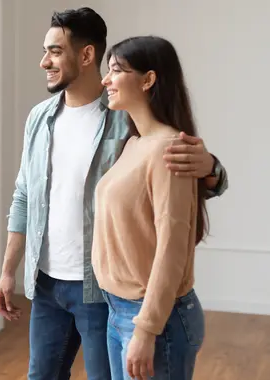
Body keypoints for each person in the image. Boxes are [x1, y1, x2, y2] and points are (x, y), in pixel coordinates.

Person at [0, 7, 228, 380]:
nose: (43, 62)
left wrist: (210, 167)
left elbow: (179, 178)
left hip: (100, 288)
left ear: (86, 55)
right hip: (47, 283)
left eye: (54, 51)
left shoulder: (128, 115)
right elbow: (23, 195)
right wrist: (8, 271)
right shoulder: (39, 118)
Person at [92, 35, 207, 380]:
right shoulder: (134, 144)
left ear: (148, 79)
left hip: (154, 319)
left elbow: (171, 248)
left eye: (115, 70)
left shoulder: (169, 149)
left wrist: (146, 329)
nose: (105, 80)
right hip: (118, 311)